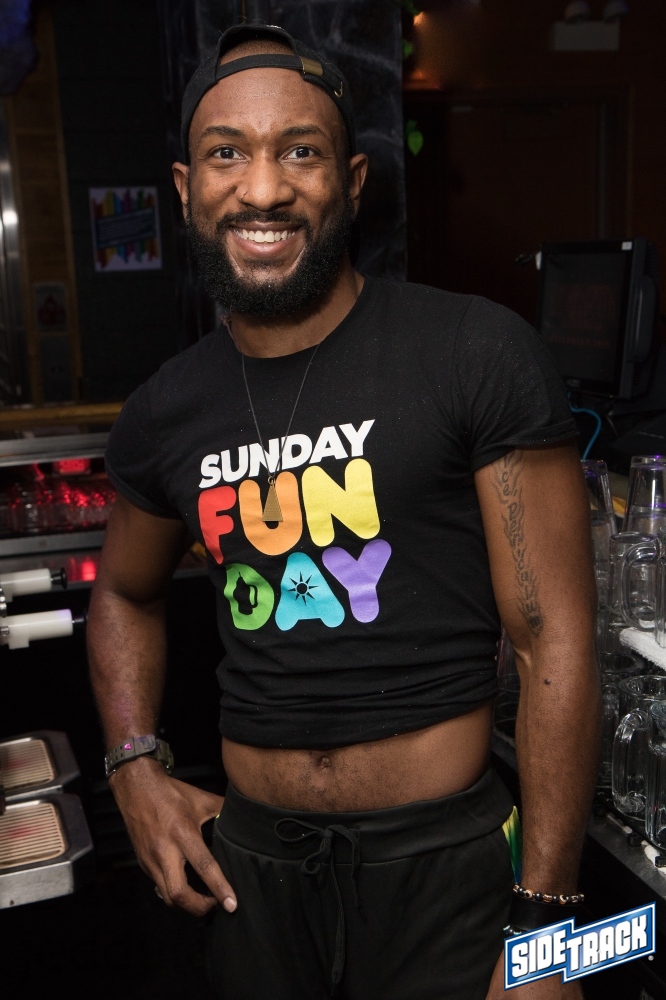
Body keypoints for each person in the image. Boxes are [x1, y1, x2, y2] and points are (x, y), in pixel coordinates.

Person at [88, 22, 600, 1000]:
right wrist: (132, 765)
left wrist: (548, 929)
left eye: (301, 152)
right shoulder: (165, 410)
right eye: (227, 153)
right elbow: (122, 590)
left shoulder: (473, 352)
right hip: (252, 876)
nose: (264, 189)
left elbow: (554, 642)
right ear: (187, 188)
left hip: (449, 868)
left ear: (353, 182)